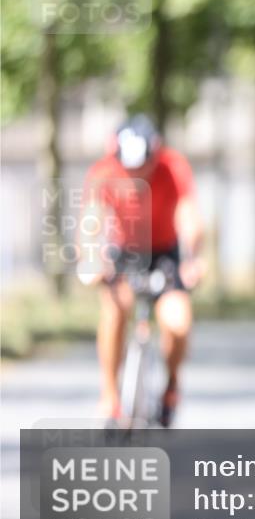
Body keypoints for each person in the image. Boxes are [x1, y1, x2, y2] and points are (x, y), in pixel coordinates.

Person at [79, 114, 205, 427]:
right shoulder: (103, 171)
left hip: (165, 253)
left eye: (142, 167)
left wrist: (192, 258)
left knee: (177, 323)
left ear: (155, 154)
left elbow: (190, 215)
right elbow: (90, 222)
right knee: (115, 310)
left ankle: (171, 387)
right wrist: (90, 259)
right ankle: (110, 395)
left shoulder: (173, 167)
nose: (135, 174)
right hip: (124, 252)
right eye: (128, 167)